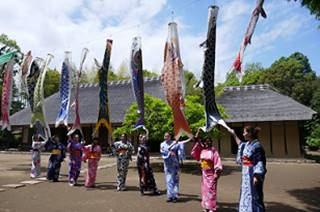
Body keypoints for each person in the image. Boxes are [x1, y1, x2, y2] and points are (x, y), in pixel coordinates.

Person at [228, 126, 267, 212]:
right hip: (245, 174)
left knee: (255, 196)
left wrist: (256, 176)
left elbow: (260, 161)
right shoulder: (246, 144)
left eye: (244, 132)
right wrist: (233, 133)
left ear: (249, 133)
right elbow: (239, 144)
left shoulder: (257, 146)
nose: (243, 134)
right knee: (245, 194)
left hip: (252, 174)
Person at [191, 128, 222, 212]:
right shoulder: (202, 149)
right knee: (204, 190)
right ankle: (206, 206)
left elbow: (217, 161)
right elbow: (196, 140)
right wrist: (198, 131)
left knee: (211, 190)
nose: (207, 142)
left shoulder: (213, 151)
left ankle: (211, 207)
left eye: (209, 141)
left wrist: (217, 172)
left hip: (211, 173)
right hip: (204, 173)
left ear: (211, 142)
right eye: (205, 141)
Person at [160, 132, 185, 203]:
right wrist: (169, 153)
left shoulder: (175, 142)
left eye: (167, 136)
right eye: (165, 136)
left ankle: (175, 196)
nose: (166, 137)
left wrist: (180, 149)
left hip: (175, 164)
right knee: (168, 180)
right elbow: (162, 152)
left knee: (175, 180)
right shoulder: (162, 144)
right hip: (167, 164)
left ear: (170, 137)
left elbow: (180, 149)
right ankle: (170, 196)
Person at [137, 129, 160, 195]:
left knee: (150, 175)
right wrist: (142, 164)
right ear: (139, 139)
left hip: (147, 162)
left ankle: (153, 189)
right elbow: (139, 156)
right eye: (141, 137)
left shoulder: (146, 145)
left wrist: (146, 130)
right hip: (141, 163)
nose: (142, 138)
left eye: (143, 137)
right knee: (142, 176)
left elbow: (147, 136)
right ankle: (142, 189)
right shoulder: (139, 146)